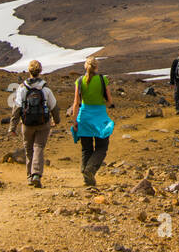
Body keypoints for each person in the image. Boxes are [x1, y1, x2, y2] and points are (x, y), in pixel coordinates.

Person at [8, 60, 60, 188]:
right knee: (39, 147)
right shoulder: (45, 89)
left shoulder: (22, 89)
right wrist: (56, 120)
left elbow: (17, 108)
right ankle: (36, 174)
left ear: (29, 71)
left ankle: (30, 177)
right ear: (40, 71)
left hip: (26, 124)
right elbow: (54, 106)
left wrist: (12, 127)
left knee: (28, 149)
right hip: (43, 123)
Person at [66, 56, 115, 186]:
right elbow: (110, 100)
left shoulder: (79, 81)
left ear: (85, 67)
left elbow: (76, 103)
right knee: (102, 147)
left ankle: (85, 173)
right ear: (96, 67)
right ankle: (90, 170)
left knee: (86, 148)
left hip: (84, 117)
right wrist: (104, 103)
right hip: (100, 118)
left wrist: (74, 120)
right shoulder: (102, 79)